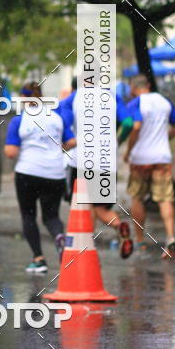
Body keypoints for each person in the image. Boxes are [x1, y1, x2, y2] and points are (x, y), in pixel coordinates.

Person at [59, 77, 135, 258]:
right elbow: (128, 123)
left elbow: (63, 122)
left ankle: (86, 247)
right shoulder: (112, 96)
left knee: (83, 205)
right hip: (107, 160)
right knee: (100, 207)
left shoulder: (74, 98)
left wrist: (67, 141)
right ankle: (118, 225)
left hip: (82, 160)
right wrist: (118, 140)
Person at [4, 85, 76, 273]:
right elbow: (71, 142)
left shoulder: (19, 119)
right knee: (51, 216)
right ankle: (60, 237)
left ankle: (39, 258)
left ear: (23, 98)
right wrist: (54, 149)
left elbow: (11, 152)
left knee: (28, 215)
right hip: (55, 173)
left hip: (27, 173)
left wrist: (19, 147)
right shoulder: (56, 118)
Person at [124, 74, 175, 259]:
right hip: (162, 158)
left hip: (141, 159)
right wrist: (165, 139)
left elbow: (135, 126)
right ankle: (171, 238)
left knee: (138, 198)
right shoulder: (165, 102)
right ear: (149, 85)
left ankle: (140, 242)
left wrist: (128, 151)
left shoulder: (135, 103)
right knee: (165, 198)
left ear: (133, 89)